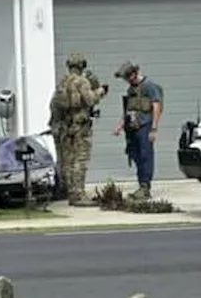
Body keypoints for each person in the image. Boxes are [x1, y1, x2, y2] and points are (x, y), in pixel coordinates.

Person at [48, 53, 108, 205]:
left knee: (67, 160)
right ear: (82, 66)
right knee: (80, 160)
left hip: (66, 126)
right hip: (81, 127)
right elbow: (90, 100)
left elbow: (54, 104)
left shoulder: (63, 82)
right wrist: (100, 91)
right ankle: (78, 195)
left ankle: (68, 190)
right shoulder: (82, 82)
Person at [113, 61, 163, 200]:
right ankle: (141, 184)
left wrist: (154, 128)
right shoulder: (131, 90)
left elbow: (156, 106)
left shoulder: (149, 86)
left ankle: (145, 187)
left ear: (134, 74)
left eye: (127, 77)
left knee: (146, 156)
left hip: (145, 126)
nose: (126, 81)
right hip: (133, 128)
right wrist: (120, 126)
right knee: (135, 155)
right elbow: (128, 111)